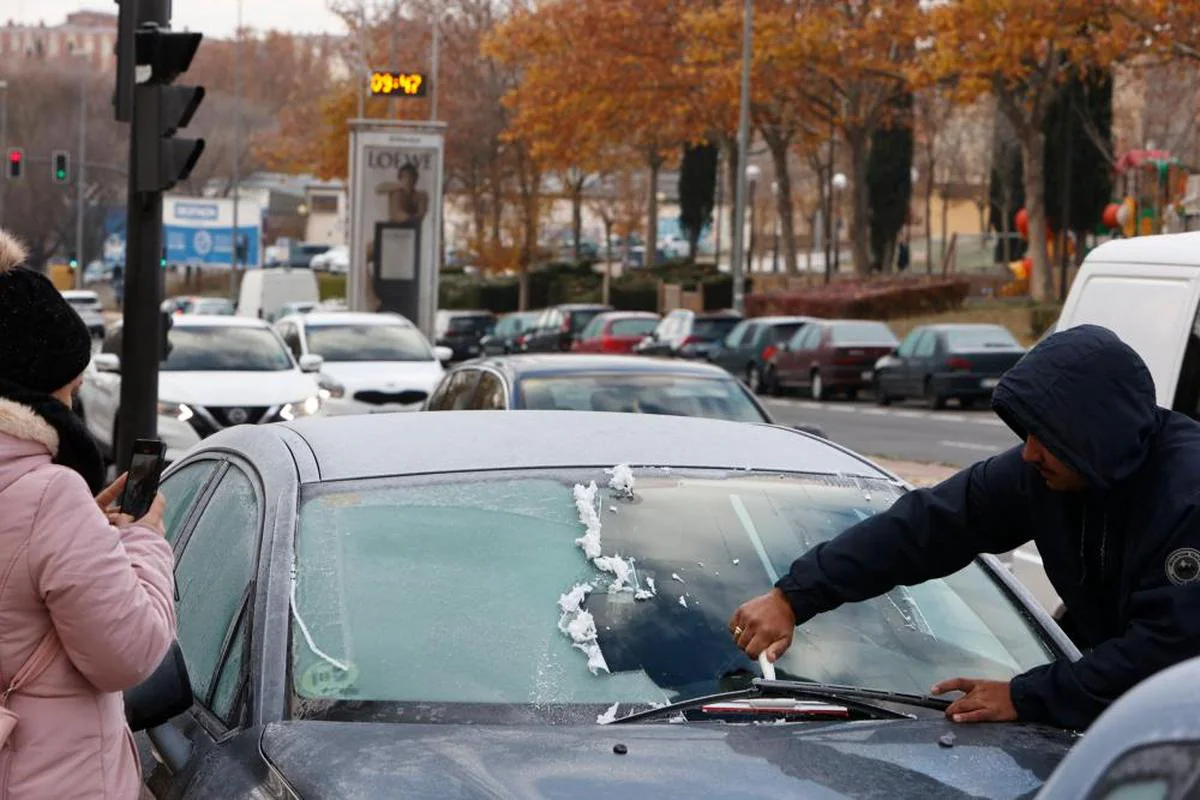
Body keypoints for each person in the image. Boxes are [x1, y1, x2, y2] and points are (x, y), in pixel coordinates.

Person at [729, 324, 1200, 731]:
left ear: (1093, 435)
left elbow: (1166, 654)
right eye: (1028, 433)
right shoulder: (1044, 475)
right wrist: (794, 595)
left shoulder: (1187, 499)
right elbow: (927, 526)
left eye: (1047, 437)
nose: (1030, 452)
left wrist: (1025, 697)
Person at [0, 230, 177, 799]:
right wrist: (143, 539)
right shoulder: (48, 496)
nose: (73, 406)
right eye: (70, 390)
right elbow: (128, 654)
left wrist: (88, 530)